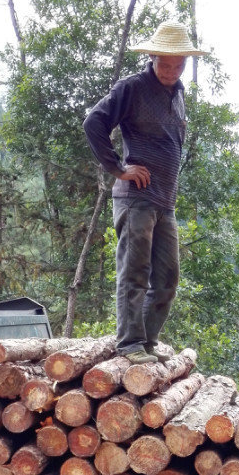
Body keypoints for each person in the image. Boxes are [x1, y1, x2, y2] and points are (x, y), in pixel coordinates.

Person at [83, 21, 207, 365]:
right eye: (164, 63)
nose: (171, 71)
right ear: (152, 57)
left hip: (165, 202)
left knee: (167, 277)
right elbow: (94, 122)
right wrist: (119, 169)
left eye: (178, 64)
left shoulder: (178, 93)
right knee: (134, 271)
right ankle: (129, 344)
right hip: (136, 197)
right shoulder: (133, 87)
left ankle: (148, 342)